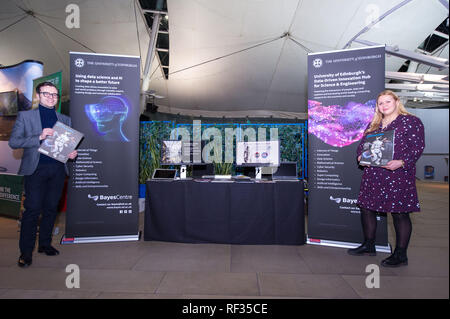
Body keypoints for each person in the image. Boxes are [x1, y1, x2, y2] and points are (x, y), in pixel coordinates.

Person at [348, 90, 425, 267]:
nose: (384, 106)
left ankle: (400, 254)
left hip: (397, 174)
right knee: (366, 208)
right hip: (373, 174)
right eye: (381, 103)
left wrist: (403, 162)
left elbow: (418, 147)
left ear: (397, 102)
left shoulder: (411, 121)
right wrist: (361, 157)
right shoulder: (374, 124)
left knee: (400, 213)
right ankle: (368, 245)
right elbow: (362, 146)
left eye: (387, 102)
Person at [9, 82, 78, 268]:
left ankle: (45, 244)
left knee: (51, 209)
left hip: (57, 170)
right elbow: (14, 142)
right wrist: (39, 136)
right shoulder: (26, 116)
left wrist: (70, 153)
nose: (51, 97)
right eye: (47, 94)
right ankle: (25, 253)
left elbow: (65, 145)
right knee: (32, 211)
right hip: (35, 170)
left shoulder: (65, 119)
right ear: (38, 95)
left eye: (55, 95)